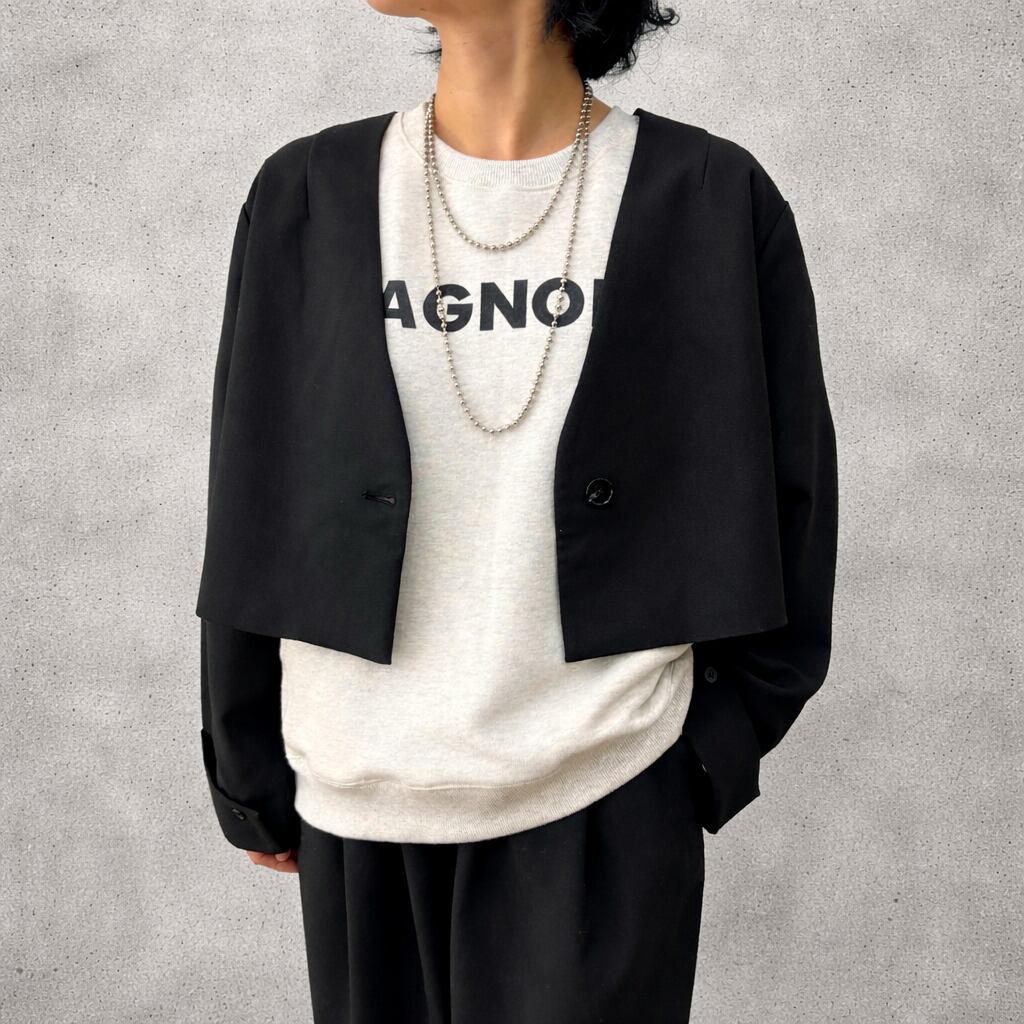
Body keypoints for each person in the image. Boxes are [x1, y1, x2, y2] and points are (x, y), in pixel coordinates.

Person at [195, 2, 839, 1021]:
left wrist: (702, 756)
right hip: (358, 793)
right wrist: (246, 767)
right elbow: (253, 490)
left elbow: (793, 499)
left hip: (602, 787)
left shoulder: (708, 197)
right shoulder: (308, 192)